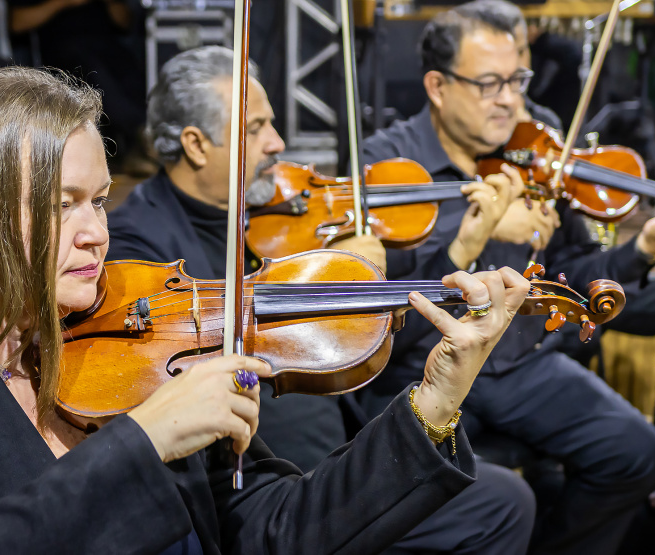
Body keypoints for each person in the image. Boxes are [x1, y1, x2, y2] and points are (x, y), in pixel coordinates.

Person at [0, 66, 529, 553]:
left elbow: (279, 531)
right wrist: (142, 440)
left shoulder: (140, 357)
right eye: (59, 203)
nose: (93, 231)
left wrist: (433, 404)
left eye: (98, 199)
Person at [108, 46, 536, 555]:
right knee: (501, 502)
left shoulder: (269, 218)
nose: (278, 143)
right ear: (197, 145)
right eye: (256, 128)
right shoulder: (138, 247)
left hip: (339, 437)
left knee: (504, 497)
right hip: (265, 476)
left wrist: (445, 255)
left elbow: (383, 324)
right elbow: (177, 365)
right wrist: (307, 292)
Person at [357, 3, 655, 554]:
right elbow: (375, 303)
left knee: (639, 453)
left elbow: (576, 276)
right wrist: (471, 239)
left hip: (521, 359)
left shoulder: (533, 154)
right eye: (489, 83)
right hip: (421, 371)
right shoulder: (390, 165)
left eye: (516, 79)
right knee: (483, 498)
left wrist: (646, 245)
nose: (510, 99)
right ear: (437, 85)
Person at [505, 0, 655, 456]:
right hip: (526, 299)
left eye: (522, 58)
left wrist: (649, 242)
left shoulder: (543, 127)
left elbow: (578, 255)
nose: (511, 88)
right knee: (572, 333)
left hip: (572, 273)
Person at [8, 0, 147, 167]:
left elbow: (125, 23)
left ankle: (139, 138)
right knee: (94, 73)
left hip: (107, 47)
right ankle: (141, 133)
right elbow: (17, 23)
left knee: (132, 72)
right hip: (62, 52)